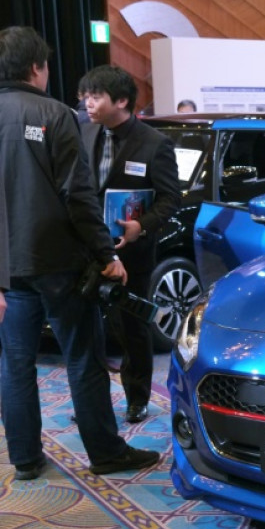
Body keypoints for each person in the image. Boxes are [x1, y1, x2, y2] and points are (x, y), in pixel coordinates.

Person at [0, 25, 160, 480]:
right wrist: (106, 255)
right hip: (61, 262)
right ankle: (105, 453)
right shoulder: (53, 113)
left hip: (9, 266)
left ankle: (25, 458)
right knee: (84, 358)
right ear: (37, 67)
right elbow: (78, 195)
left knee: (15, 363)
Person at [79, 65, 181, 423]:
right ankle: (92, 399)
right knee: (86, 327)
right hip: (87, 247)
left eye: (95, 97)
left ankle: (137, 397)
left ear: (121, 101)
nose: (88, 103)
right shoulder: (84, 132)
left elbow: (171, 198)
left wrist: (142, 225)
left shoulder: (154, 143)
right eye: (86, 96)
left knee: (131, 327)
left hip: (132, 251)